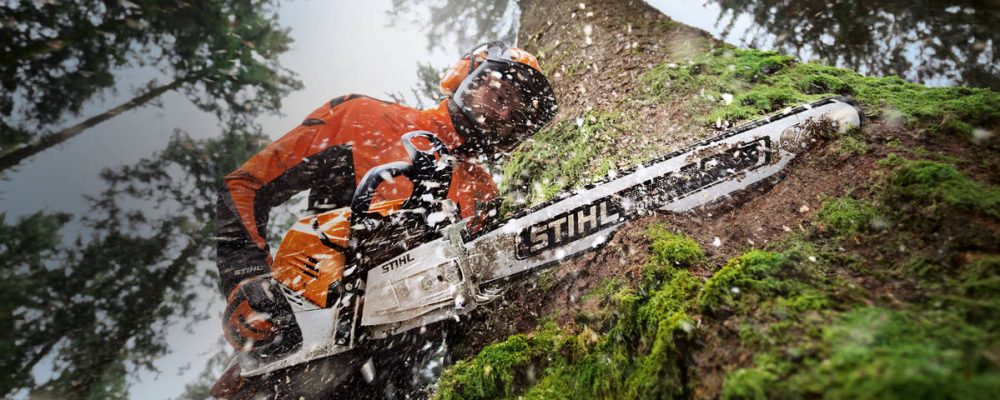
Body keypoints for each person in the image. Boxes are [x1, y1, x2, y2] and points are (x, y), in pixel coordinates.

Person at [212, 41, 557, 398]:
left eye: (516, 115)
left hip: (387, 377)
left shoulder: (482, 192)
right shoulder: (363, 118)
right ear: (466, 77)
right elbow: (247, 185)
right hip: (302, 337)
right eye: (500, 97)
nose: (503, 116)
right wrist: (245, 276)